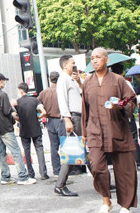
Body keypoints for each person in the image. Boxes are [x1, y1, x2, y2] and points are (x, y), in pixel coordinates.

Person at [82, 48, 138, 213]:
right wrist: (84, 133)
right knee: (97, 166)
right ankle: (106, 201)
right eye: (92, 58)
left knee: (125, 169)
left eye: (98, 57)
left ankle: (126, 206)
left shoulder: (118, 80)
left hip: (116, 129)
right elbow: (85, 109)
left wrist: (121, 104)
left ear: (106, 60)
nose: (94, 61)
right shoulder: (87, 82)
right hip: (94, 131)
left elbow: (131, 102)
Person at [0, 73, 36, 185]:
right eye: (4, 81)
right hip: (5, 127)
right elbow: (7, 111)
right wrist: (12, 105)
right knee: (16, 152)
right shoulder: (3, 95)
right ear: (0, 81)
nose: (5, 83)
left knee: (1, 152)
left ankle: (5, 176)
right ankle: (23, 177)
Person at [110, 63, 140, 171]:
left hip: (113, 115)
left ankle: (121, 164)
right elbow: (131, 98)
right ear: (122, 72)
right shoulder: (124, 82)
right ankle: (139, 163)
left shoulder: (108, 84)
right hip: (126, 114)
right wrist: (139, 97)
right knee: (133, 139)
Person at [54, 55, 82, 197]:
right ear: (65, 65)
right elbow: (62, 99)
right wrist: (67, 118)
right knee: (73, 152)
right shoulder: (63, 79)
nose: (74, 65)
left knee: (83, 150)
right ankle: (60, 185)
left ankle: (103, 181)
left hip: (78, 117)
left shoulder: (72, 80)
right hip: (73, 117)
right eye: (72, 63)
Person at [15, 82, 48, 181]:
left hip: (24, 130)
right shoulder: (35, 100)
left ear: (21, 91)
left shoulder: (17, 102)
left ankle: (31, 174)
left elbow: (14, 115)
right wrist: (37, 117)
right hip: (36, 128)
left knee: (27, 151)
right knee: (39, 149)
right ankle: (43, 173)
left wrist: (20, 119)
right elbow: (44, 112)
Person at [38, 70, 64, 177]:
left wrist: (44, 112)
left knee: (54, 147)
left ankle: (56, 170)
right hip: (62, 120)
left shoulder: (44, 93)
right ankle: (69, 169)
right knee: (65, 145)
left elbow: (37, 104)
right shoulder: (62, 91)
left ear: (49, 79)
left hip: (50, 121)